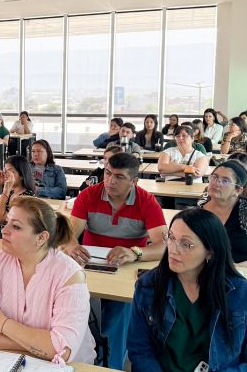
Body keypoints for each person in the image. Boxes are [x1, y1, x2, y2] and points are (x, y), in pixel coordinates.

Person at [128, 208, 247, 372]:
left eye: (186, 244)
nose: (173, 249)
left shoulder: (238, 292)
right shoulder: (148, 287)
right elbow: (140, 352)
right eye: (171, 238)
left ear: (210, 251)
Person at [65, 152, 167, 369]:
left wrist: (135, 252)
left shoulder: (146, 201)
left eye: (119, 177)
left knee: (121, 308)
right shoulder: (89, 195)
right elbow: (70, 235)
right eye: (107, 173)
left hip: (126, 268)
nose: (110, 181)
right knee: (74, 300)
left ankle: (112, 365)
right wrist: (71, 244)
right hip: (91, 264)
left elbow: (164, 245)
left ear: (134, 181)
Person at [0, 197, 96, 365]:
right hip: (2, 362)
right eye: (6, 223)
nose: (3, 230)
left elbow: (60, 351)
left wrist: (2, 324)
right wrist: (38, 344)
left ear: (41, 238)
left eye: (16, 226)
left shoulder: (69, 275)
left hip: (69, 367)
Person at [0, 155, 36, 238]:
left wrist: (6, 190)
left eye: (10, 172)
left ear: (21, 175)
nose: (6, 175)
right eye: (5, 171)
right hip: (6, 236)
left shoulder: (27, 197)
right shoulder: (11, 193)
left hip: (18, 239)